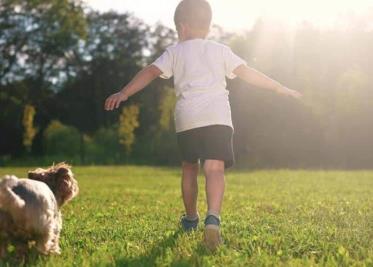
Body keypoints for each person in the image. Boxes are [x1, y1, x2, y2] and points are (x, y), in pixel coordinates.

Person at [104, 0, 301, 251]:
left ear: (182, 28)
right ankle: (213, 218)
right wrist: (277, 87)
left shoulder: (175, 51)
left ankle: (190, 218)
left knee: (189, 168)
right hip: (218, 118)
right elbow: (247, 72)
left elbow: (151, 72)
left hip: (188, 120)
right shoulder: (220, 50)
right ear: (207, 27)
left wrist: (124, 92)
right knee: (214, 169)